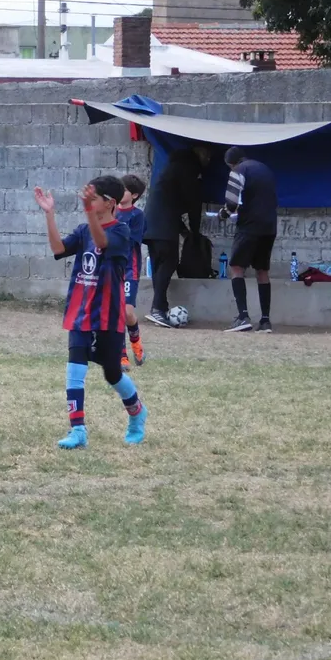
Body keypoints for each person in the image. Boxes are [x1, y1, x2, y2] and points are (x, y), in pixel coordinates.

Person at [34, 177, 148, 450]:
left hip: (107, 317)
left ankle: (137, 412)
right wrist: (50, 214)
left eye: (93, 198)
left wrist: (88, 212)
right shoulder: (85, 229)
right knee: (75, 369)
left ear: (109, 203)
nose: (87, 203)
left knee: (112, 374)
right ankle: (78, 430)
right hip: (80, 312)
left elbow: (103, 241)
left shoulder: (121, 232)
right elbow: (58, 248)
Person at [142, 144, 210, 328]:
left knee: (158, 266)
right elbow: (194, 204)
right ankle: (157, 308)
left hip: (150, 224)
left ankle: (159, 309)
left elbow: (167, 202)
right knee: (169, 262)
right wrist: (194, 233)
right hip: (164, 227)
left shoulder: (170, 170)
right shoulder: (190, 170)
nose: (208, 161)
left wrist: (183, 230)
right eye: (207, 157)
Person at [220, 146, 279, 333]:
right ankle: (265, 321)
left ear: (231, 163)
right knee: (262, 271)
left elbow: (231, 203)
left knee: (237, 267)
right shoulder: (265, 169)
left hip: (249, 226)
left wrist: (224, 214)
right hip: (269, 226)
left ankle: (243, 316)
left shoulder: (238, 171)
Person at [118, 174, 147, 370]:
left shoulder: (137, 216)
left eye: (125, 190)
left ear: (134, 195)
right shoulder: (110, 211)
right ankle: (121, 356)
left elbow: (130, 241)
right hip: (112, 268)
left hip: (129, 268)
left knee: (127, 311)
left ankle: (136, 344)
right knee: (115, 312)